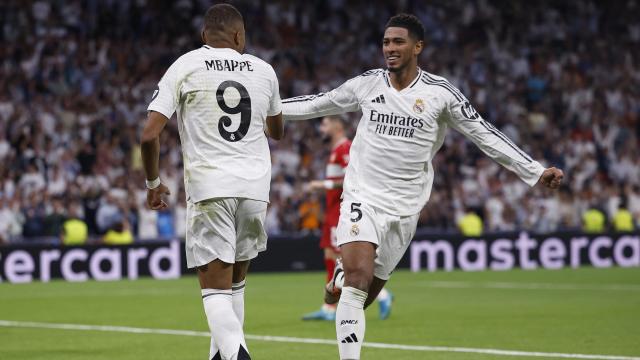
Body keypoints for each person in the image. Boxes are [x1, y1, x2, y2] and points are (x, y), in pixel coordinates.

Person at [282, 13, 564, 360]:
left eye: (398, 41)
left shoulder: (440, 94)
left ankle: (341, 278)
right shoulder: (368, 84)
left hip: (405, 208)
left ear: (418, 47)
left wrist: (534, 170)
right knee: (357, 282)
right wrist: (269, 109)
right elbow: (319, 102)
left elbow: (484, 134)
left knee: (364, 294)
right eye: (386, 42)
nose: (390, 48)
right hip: (362, 197)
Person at [140, 4, 283, 360]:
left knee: (215, 292)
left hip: (211, 188)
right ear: (239, 36)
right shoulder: (264, 70)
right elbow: (277, 130)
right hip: (254, 190)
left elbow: (148, 136)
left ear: (205, 36)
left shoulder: (186, 65)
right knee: (234, 285)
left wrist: (153, 182)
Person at [301, 115, 392, 321]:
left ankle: (383, 295)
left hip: (343, 208)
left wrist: (321, 185)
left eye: (325, 123)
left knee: (343, 260)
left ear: (337, 125)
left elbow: (353, 178)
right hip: (332, 208)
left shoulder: (346, 148)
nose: (321, 128)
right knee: (329, 256)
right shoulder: (336, 150)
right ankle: (328, 308)